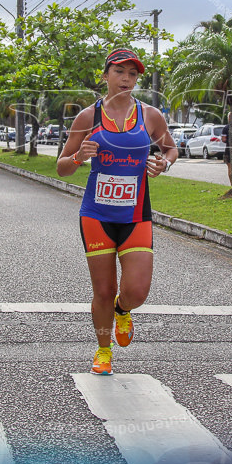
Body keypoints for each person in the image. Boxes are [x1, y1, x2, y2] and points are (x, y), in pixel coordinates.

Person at [57, 49, 177, 375]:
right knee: (104, 289)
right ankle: (103, 350)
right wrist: (79, 156)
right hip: (96, 214)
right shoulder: (87, 117)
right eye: (119, 72)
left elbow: (170, 147)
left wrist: (164, 162)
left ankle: (123, 310)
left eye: (132, 74)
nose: (126, 79)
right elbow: (62, 167)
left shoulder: (150, 115)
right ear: (106, 74)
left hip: (136, 213)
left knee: (135, 291)